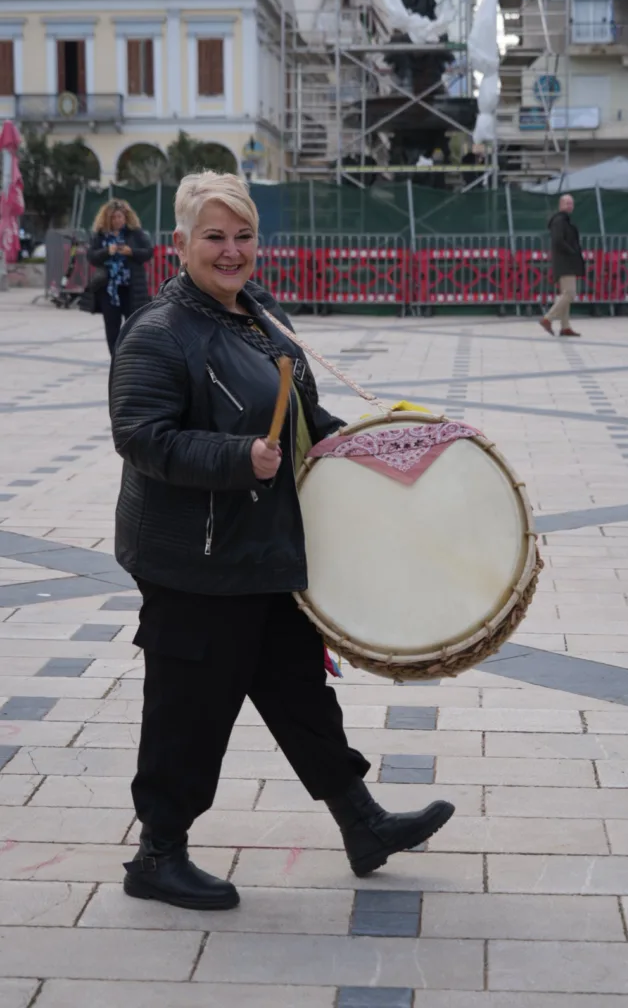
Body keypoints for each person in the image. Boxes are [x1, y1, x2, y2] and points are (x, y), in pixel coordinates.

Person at [109, 171, 455, 911]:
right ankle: (157, 855)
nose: (232, 252)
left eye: (244, 237)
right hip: (194, 565)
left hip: (263, 552)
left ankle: (361, 823)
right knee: (189, 710)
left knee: (300, 693)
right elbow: (140, 438)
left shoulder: (259, 316)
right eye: (215, 237)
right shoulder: (159, 331)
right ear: (179, 244)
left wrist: (374, 443)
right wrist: (237, 459)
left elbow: (300, 414)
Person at [81, 199, 153, 355]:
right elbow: (92, 257)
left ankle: (130, 358)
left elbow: (148, 252)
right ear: (107, 219)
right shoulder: (100, 236)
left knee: (133, 325)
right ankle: (115, 358)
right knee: (112, 326)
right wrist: (107, 251)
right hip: (108, 288)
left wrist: (131, 252)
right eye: (113, 217)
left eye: (120, 217)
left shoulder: (135, 233)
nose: (117, 220)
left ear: (126, 217)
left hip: (131, 287)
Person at [540, 193, 585, 338]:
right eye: (567, 203)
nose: (570, 206)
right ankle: (548, 318)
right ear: (560, 205)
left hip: (566, 262)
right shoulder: (559, 221)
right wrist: (571, 252)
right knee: (570, 294)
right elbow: (559, 241)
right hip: (565, 262)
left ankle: (565, 327)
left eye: (571, 203)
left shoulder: (563, 220)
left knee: (566, 293)